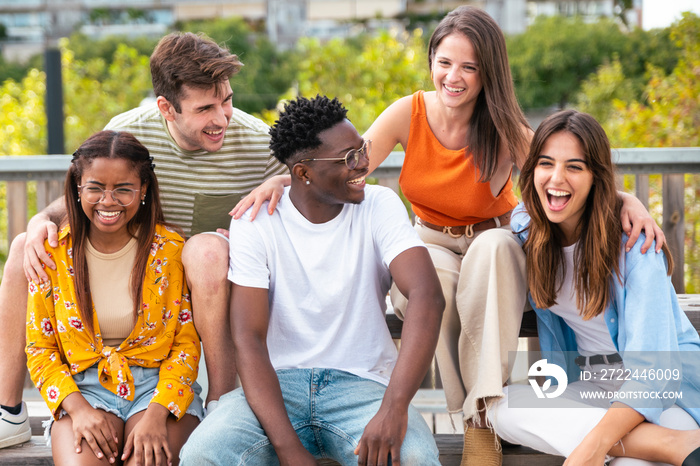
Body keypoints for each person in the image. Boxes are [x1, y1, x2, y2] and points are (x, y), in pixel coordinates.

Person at [231, 6, 664, 465]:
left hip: (491, 244)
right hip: (430, 240)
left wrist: (625, 200)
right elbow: (345, 167)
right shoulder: (409, 112)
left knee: (494, 248)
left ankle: (482, 421)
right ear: (432, 61)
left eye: (469, 67)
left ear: (487, 73)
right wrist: (280, 180)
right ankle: (474, 417)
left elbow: (562, 168)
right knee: (431, 280)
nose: (453, 76)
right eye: (444, 62)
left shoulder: (501, 125)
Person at [0, 31, 288, 432]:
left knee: (204, 251)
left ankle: (222, 401)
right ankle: (8, 410)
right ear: (167, 108)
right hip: (148, 272)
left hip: (216, 274)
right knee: (20, 249)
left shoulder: (258, 141)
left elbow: (321, 184)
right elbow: (92, 191)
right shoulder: (130, 131)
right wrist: (38, 222)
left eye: (227, 100)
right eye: (205, 108)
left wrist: (286, 182)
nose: (222, 118)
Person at [180, 95, 445, 465]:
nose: (364, 163)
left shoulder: (379, 205)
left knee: (415, 459)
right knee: (201, 456)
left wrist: (394, 408)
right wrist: (290, 451)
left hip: (364, 388)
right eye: (349, 158)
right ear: (303, 173)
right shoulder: (255, 222)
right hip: (276, 388)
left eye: (361, 150)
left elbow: (427, 297)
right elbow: (249, 339)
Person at [489, 109, 700, 466]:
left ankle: (647, 442)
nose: (556, 178)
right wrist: (594, 446)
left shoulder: (636, 247)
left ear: (594, 177)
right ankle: (671, 444)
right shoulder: (529, 229)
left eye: (574, 167)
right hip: (593, 386)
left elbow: (654, 377)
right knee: (501, 408)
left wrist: (590, 447)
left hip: (665, 392)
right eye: (545, 163)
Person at [25, 131, 204, 466]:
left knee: (146, 461)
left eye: (123, 189)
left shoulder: (170, 251)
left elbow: (186, 344)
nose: (108, 201)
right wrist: (77, 410)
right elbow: (40, 348)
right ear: (78, 189)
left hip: (157, 387)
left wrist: (156, 415)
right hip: (82, 387)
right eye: (95, 188)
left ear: (144, 190)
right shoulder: (53, 253)